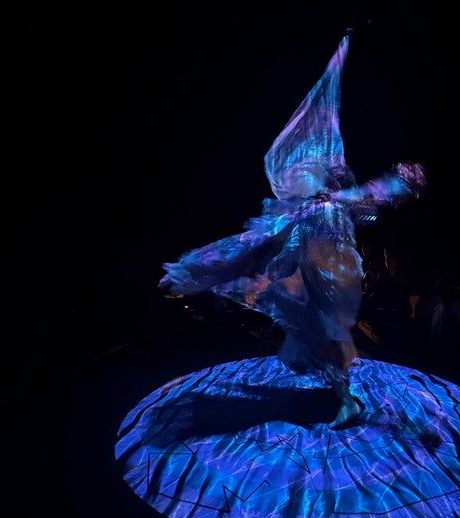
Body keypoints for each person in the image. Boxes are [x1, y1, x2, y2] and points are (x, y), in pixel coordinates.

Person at [158, 31, 425, 429]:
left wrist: (389, 187)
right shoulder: (311, 209)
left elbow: (367, 201)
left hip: (332, 272)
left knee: (323, 330)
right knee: (314, 328)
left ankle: (346, 399)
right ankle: (344, 397)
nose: (300, 176)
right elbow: (256, 246)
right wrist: (202, 269)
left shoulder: (331, 203)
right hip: (319, 271)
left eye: (308, 171)